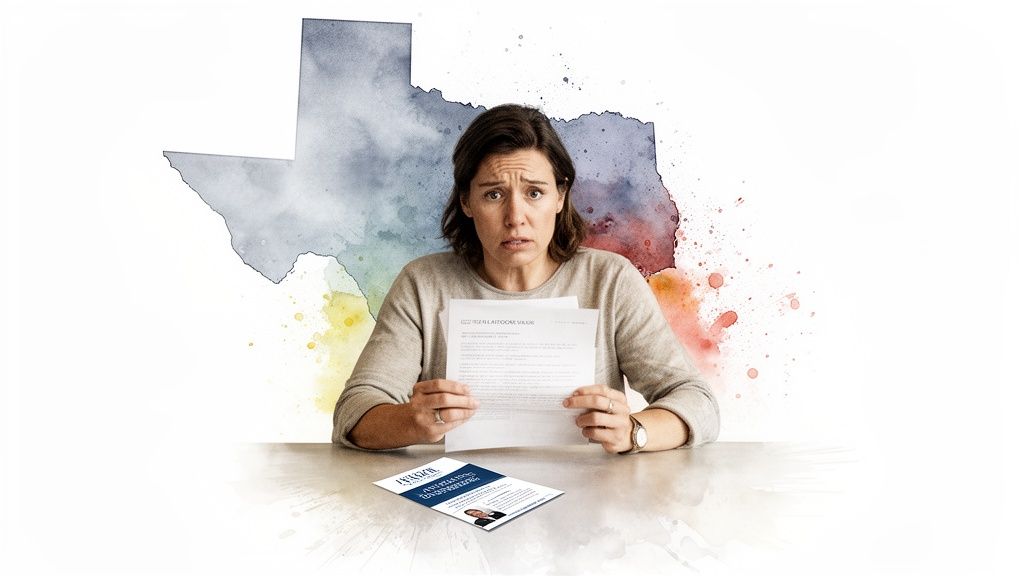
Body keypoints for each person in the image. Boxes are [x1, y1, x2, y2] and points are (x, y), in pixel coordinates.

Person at [332, 104, 719, 453]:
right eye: (494, 195)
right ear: (466, 201)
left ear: (560, 196)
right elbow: (355, 412)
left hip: (587, 502)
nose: (516, 216)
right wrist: (409, 422)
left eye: (534, 193)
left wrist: (634, 431)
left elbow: (696, 401)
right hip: (460, 500)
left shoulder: (609, 280)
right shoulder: (423, 284)